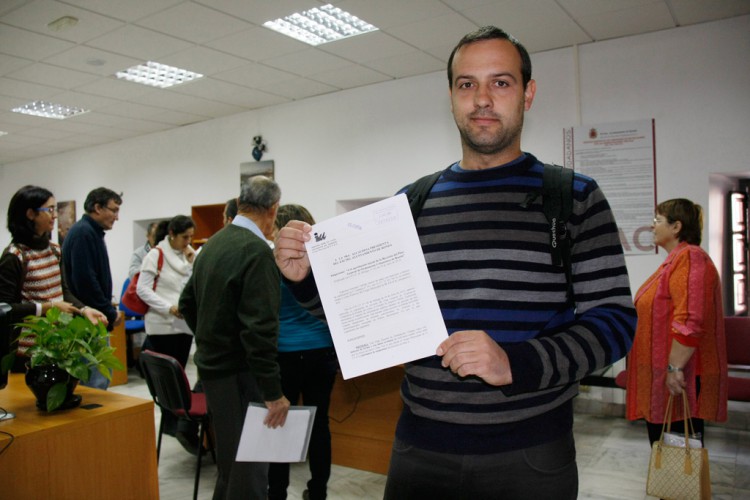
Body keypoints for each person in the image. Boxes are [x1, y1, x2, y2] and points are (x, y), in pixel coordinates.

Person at [274, 26, 636, 499]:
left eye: (500, 82)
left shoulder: (573, 196)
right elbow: (367, 321)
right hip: (419, 453)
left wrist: (516, 362)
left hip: (530, 457)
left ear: (527, 93)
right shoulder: (412, 203)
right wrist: (306, 283)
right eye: (467, 84)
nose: (482, 99)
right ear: (450, 96)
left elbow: (614, 322)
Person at [179, 176, 290, 500]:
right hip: (243, 375)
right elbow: (260, 331)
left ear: (240, 203)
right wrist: (273, 392)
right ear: (273, 209)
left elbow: (187, 303)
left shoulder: (212, 244)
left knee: (231, 463)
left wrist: (212, 334)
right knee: (250, 469)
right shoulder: (256, 252)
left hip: (214, 372)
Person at [626, 199, 728, 445]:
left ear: (676, 227)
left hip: (681, 376)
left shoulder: (691, 258)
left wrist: (674, 369)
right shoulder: (675, 260)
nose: (652, 227)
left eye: (657, 221)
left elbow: (690, 319)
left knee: (679, 457)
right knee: (666, 451)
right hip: (666, 373)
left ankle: (675, 487)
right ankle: (670, 486)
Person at [267, 205, 338, 500]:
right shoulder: (324, 260)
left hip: (284, 353)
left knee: (281, 427)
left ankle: (278, 493)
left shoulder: (275, 262)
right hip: (321, 352)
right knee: (319, 424)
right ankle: (318, 491)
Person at [0, 185, 108, 371]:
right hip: (28, 350)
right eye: (49, 209)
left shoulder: (54, 250)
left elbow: (63, 291)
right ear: (30, 214)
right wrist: (48, 307)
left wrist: (84, 310)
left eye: (55, 209)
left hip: (59, 345)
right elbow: (5, 308)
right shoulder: (14, 256)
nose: (55, 215)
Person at [136, 215, 199, 453]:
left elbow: (191, 285)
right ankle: (170, 422)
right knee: (166, 380)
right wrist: (168, 307)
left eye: (191, 236)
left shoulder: (188, 254)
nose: (189, 241)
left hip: (183, 326)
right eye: (185, 236)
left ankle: (179, 424)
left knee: (180, 376)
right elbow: (143, 289)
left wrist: (193, 262)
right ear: (172, 233)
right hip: (161, 325)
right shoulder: (156, 255)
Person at [61, 186, 123, 389]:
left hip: (94, 317)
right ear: (97, 207)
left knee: (99, 379)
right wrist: (108, 311)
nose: (117, 217)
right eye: (113, 210)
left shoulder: (90, 232)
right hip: (89, 320)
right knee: (95, 382)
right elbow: (85, 281)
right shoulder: (83, 233)